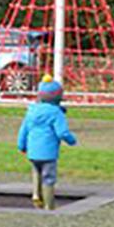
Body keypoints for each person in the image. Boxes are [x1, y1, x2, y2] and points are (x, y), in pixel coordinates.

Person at [17, 74, 77, 210]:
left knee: (36, 171)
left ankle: (36, 194)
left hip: (32, 150)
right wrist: (72, 140)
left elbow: (24, 130)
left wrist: (21, 145)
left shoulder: (31, 111)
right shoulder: (56, 113)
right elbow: (62, 132)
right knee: (48, 177)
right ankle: (49, 205)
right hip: (49, 152)